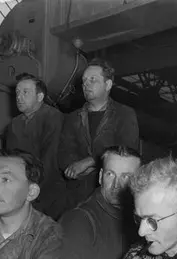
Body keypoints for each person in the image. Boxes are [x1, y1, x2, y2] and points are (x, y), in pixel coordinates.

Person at [59, 58, 140, 208]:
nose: (86, 84)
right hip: (77, 196)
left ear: (108, 85)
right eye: (84, 81)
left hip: (113, 194)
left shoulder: (125, 114)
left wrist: (89, 162)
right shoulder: (72, 118)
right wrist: (74, 169)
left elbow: (127, 151)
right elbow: (64, 152)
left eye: (93, 80)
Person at [5, 73, 68, 219]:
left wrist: (30, 186)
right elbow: (10, 158)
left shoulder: (53, 117)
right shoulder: (14, 124)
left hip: (48, 189)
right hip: (22, 187)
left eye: (25, 92)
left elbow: (50, 158)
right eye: (17, 93)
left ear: (40, 96)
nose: (19, 97)